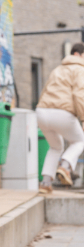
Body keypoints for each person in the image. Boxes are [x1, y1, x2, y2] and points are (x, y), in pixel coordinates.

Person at [37, 43, 84, 194]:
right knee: (79, 141)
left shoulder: (57, 69)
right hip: (61, 113)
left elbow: (45, 90)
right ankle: (65, 166)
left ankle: (45, 183)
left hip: (42, 112)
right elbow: (79, 94)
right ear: (78, 54)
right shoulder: (79, 69)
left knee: (56, 147)